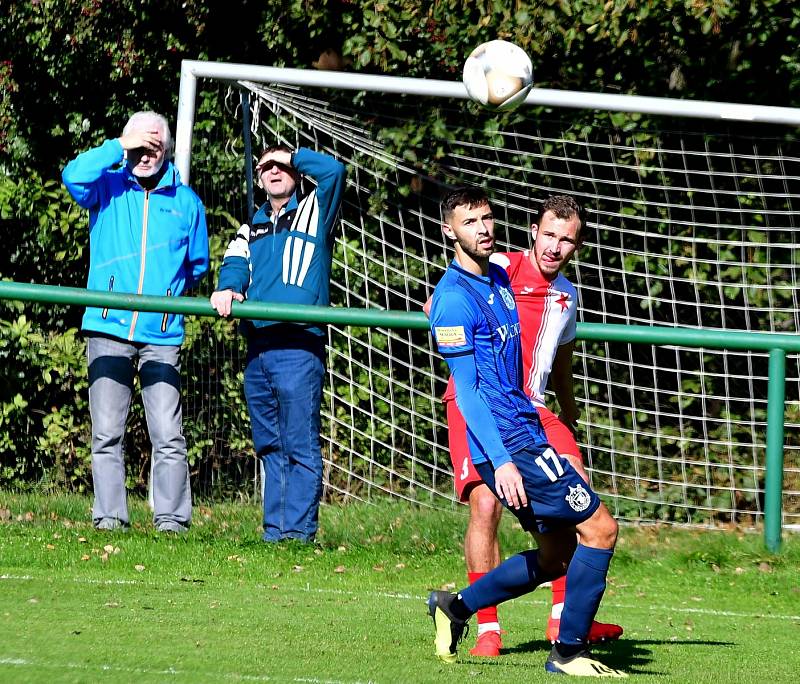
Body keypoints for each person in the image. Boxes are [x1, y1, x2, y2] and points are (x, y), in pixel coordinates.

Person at [427, 187, 626, 677]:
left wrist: (564, 413)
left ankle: (456, 607)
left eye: (488, 218)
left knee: (558, 552)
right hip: (508, 437)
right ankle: (567, 651)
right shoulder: (454, 297)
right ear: (450, 231)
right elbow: (469, 390)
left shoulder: (496, 278)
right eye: (471, 222)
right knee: (600, 529)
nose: (484, 228)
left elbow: (553, 359)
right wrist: (503, 457)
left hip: (527, 423)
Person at [62, 111, 209, 533]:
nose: (146, 155)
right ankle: (110, 518)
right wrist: (120, 144)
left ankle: (172, 522)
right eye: (139, 147)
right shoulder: (106, 186)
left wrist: (166, 301)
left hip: (162, 335)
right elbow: (73, 174)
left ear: (166, 148)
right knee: (106, 433)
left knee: (168, 434)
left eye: (153, 145)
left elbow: (196, 265)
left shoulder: (187, 202)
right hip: (107, 329)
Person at [210, 144, 346, 543]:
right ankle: (275, 534)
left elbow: (334, 171)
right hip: (259, 347)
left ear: (295, 171)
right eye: (265, 165)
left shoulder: (315, 210)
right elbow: (234, 264)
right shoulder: (249, 226)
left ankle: (299, 535)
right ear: (258, 178)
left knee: (299, 443)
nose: (273, 170)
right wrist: (229, 288)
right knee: (269, 444)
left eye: (281, 165)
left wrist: (294, 155)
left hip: (299, 345)